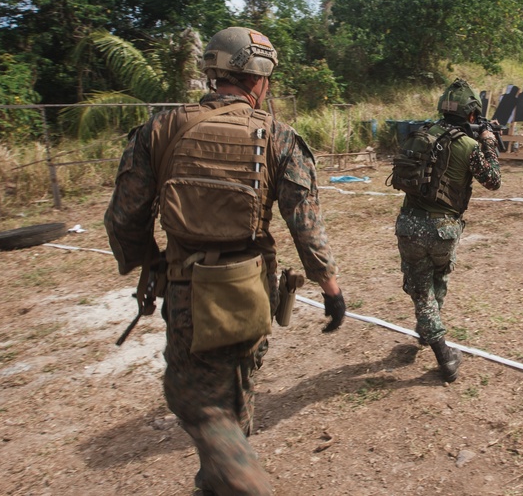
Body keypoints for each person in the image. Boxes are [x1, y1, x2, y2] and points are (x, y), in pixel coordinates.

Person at [104, 26, 346, 496]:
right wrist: (330, 286)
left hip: (185, 291)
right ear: (259, 79)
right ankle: (217, 483)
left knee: (197, 399)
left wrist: (150, 264)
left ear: (214, 73)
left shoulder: (160, 129)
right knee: (237, 390)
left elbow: (123, 219)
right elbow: (306, 224)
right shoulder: (279, 137)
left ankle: (241, 483)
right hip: (250, 291)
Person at [393, 78, 502, 383]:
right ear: (471, 115)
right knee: (432, 283)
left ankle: (428, 329)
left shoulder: (422, 134)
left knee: (422, 284)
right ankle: (444, 356)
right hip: (443, 230)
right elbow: (493, 180)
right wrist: (489, 140)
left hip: (409, 224)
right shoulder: (469, 146)